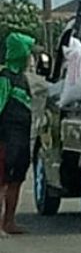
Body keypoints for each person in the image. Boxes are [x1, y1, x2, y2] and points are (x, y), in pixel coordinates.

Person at [0, 32, 36, 235]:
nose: (31, 57)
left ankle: (9, 222)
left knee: (16, 181)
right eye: (29, 52)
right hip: (5, 139)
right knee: (2, 182)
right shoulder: (5, 78)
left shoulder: (23, 79)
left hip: (21, 138)